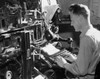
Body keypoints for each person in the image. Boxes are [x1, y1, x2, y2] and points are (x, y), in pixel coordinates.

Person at [55, 3, 100, 79]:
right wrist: (76, 59)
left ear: (80, 18)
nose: (71, 24)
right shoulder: (96, 33)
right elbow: (92, 60)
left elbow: (80, 71)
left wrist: (64, 64)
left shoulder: (86, 37)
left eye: (72, 20)